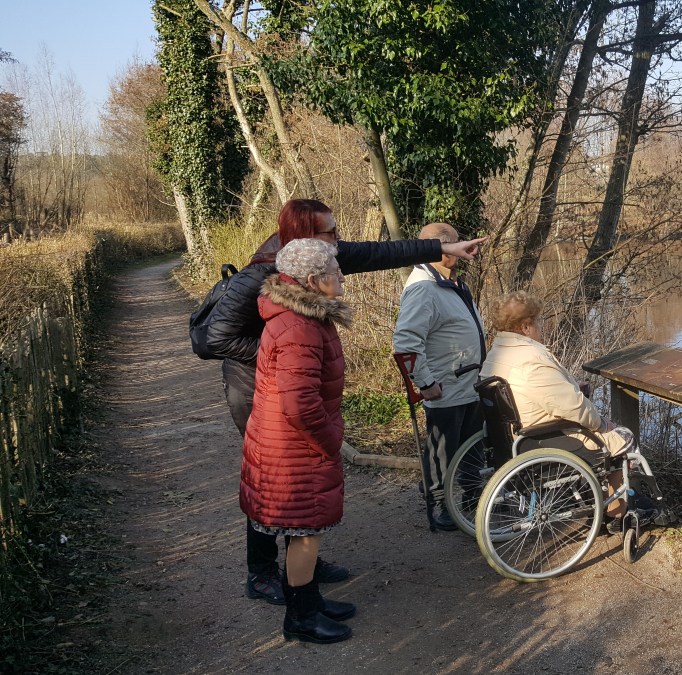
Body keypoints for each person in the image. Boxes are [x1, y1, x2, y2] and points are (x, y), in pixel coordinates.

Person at [205, 198, 484, 604]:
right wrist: (282, 353)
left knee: (299, 487)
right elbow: (214, 339)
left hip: (294, 377)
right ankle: (261, 572)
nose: (339, 240)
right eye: (329, 232)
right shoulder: (261, 274)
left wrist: (442, 248)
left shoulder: (321, 261)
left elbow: (380, 252)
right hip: (253, 388)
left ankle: (304, 566)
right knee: (274, 480)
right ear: (303, 236)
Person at [241, 238, 355, 643]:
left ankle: (309, 602)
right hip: (295, 447)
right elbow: (299, 403)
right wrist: (330, 440)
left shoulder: (302, 317)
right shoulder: (298, 327)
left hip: (287, 442)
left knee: (301, 530)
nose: (342, 276)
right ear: (312, 280)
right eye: (335, 271)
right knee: (306, 529)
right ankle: (301, 619)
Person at [479, 291, 635, 525]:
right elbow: (575, 409)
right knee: (623, 438)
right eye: (537, 321)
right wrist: (603, 424)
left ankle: (597, 497)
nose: (541, 326)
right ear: (525, 326)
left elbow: (542, 393)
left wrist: (571, 386)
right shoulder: (531, 359)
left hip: (512, 436)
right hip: (543, 438)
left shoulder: (497, 353)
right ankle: (616, 513)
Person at [391, 222, 485, 532]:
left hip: (470, 383)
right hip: (446, 388)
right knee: (442, 450)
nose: (462, 248)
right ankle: (439, 503)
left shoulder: (450, 282)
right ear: (444, 250)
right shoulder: (423, 288)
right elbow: (405, 343)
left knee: (472, 445)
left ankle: (475, 496)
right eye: (457, 243)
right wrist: (426, 383)